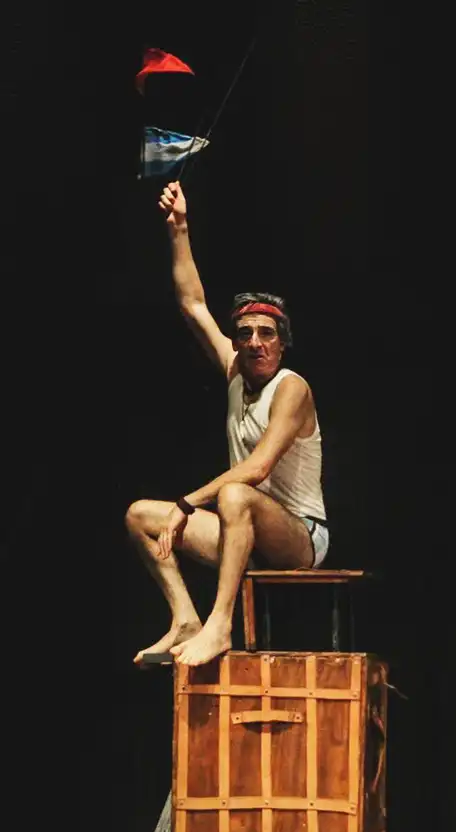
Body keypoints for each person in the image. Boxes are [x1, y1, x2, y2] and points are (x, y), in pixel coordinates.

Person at [126, 180, 329, 668]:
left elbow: (257, 469)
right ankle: (186, 618)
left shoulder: (292, 388)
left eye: (266, 334)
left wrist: (187, 503)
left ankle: (220, 624)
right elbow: (193, 305)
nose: (255, 342)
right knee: (140, 516)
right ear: (236, 343)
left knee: (236, 492)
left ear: (282, 343)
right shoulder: (236, 371)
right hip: (244, 533)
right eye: (245, 333)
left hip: (300, 538)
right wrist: (179, 227)